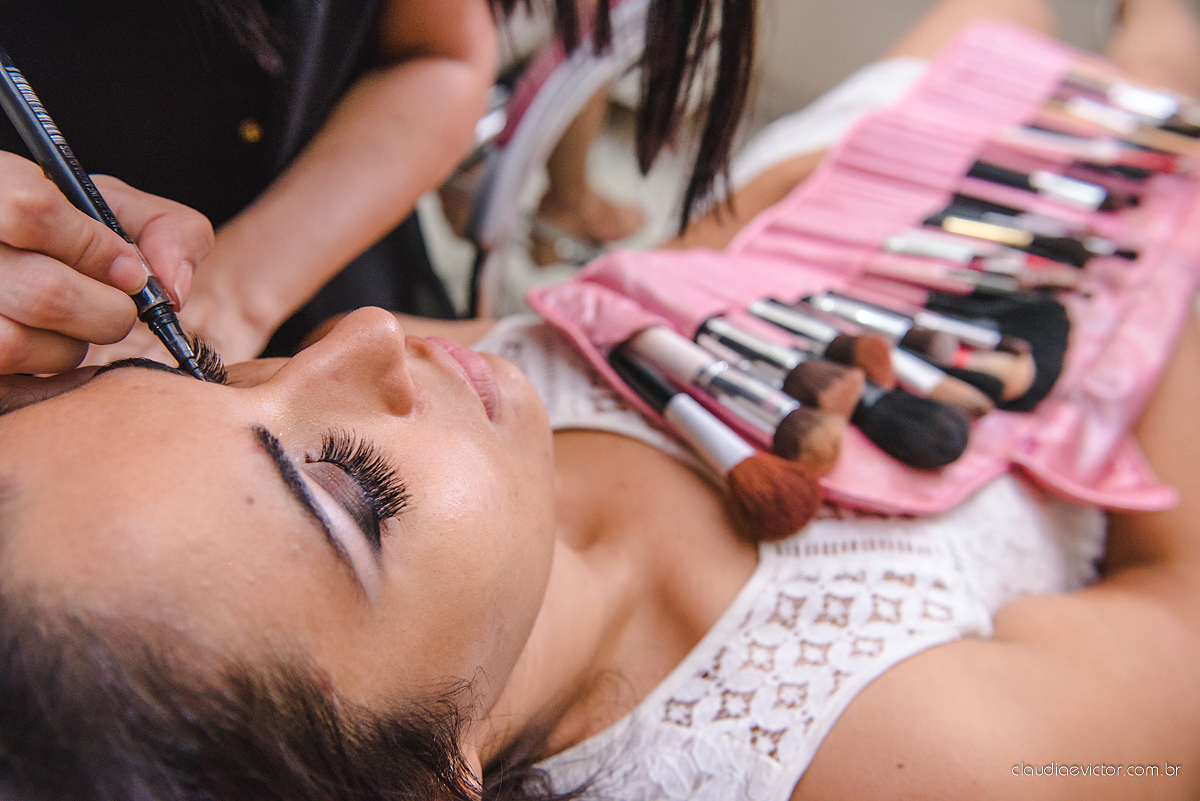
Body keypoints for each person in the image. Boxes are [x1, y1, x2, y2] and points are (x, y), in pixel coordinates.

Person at [4, 1, 1200, 801]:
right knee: (1158, 58)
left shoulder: (466, 441)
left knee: (1000, 19)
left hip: (883, 201)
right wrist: (1169, 210)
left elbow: (677, 290)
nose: (364, 332)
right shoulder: (902, 758)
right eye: (344, 487)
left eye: (199, 372)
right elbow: (1181, 620)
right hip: (1133, 317)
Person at [0, 0, 750, 368]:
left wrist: (237, 290)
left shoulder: (364, 331)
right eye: (355, 495)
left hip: (321, 242)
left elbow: (442, 55)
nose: (381, 349)